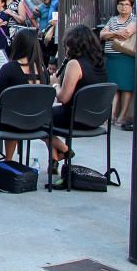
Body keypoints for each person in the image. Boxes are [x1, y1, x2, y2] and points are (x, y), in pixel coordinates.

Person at [0, 29, 47, 169]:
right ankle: (8, 161)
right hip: (34, 120)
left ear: (17, 45)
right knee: (12, 114)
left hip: (10, 120)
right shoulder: (42, 70)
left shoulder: (9, 68)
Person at [50, 25, 108, 170]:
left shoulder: (74, 64)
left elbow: (63, 97)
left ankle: (64, 149)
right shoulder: (99, 63)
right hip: (96, 118)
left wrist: (55, 85)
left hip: (75, 118)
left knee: (36, 116)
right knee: (47, 118)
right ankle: (54, 158)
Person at [100, 0, 136, 130]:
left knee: (126, 88)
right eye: (121, 4)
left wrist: (110, 35)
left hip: (126, 57)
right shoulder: (113, 19)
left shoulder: (135, 19)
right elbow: (102, 34)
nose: (123, 7)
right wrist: (115, 34)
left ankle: (122, 116)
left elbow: (126, 33)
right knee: (113, 87)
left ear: (131, 7)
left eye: (127, 4)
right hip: (112, 57)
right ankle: (111, 115)